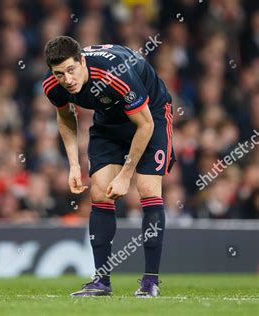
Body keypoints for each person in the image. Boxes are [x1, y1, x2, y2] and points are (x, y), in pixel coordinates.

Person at [42, 36, 175, 297]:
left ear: (82, 61)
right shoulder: (53, 86)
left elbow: (145, 125)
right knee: (99, 191)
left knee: (148, 188)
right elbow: (66, 118)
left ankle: (150, 282)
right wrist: (73, 166)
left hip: (151, 114)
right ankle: (101, 281)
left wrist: (126, 174)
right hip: (109, 122)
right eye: (59, 74)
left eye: (71, 70)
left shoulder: (114, 74)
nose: (67, 79)